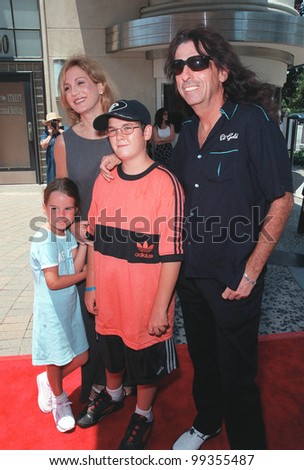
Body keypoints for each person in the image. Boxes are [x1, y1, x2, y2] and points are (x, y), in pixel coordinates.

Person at [99, 27, 294, 450]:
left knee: (238, 375)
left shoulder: (251, 121)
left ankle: (249, 450)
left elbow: (282, 198)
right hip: (190, 276)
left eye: (197, 62)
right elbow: (157, 174)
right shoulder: (186, 134)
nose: (186, 73)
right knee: (203, 362)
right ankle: (207, 422)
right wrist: (119, 154)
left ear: (221, 70)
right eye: (179, 66)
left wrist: (252, 269)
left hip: (234, 279)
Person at [78, 99, 184, 449]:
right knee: (111, 353)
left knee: (145, 366)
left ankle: (143, 413)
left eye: (128, 128)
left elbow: (172, 253)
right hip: (108, 296)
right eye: (113, 130)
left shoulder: (165, 184)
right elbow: (94, 240)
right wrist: (91, 284)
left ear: (148, 133)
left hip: (145, 302)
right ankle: (112, 394)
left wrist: (160, 308)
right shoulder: (104, 179)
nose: (119, 136)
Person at [54, 54, 118, 405]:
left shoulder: (122, 131)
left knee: (122, 316)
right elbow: (62, 196)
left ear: (100, 85)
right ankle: (95, 386)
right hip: (87, 248)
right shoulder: (65, 141)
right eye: (66, 87)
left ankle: (122, 380)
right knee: (90, 318)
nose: (73, 91)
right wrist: (75, 224)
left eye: (80, 82)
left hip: (125, 241)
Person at [30, 177, 89, 432]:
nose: (61, 215)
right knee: (55, 358)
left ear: (76, 210)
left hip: (70, 308)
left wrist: (86, 244)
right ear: (44, 207)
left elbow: (74, 266)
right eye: (55, 209)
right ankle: (60, 398)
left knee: (82, 356)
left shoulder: (66, 235)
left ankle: (48, 381)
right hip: (51, 312)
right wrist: (86, 275)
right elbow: (53, 281)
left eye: (68, 209)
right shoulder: (44, 239)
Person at [40, 112, 66, 184]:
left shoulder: (64, 130)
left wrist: (59, 131)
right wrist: (50, 135)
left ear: (58, 122)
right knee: (52, 183)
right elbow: (43, 145)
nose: (53, 123)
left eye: (55, 121)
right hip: (52, 163)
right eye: (50, 122)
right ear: (47, 124)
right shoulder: (45, 133)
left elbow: (71, 140)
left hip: (64, 161)